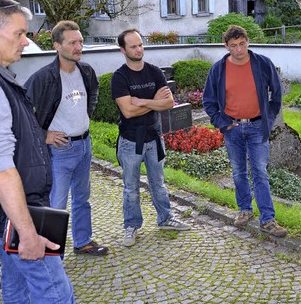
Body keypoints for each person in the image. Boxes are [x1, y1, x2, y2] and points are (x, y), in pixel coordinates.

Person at [0, 0, 75, 303]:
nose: (27, 41)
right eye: (20, 33)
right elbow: (1, 167)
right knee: (55, 292)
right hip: (15, 215)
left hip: (7, 212)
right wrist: (27, 233)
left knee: (16, 287)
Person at [25, 20, 108, 256]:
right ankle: (53, 254)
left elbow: (92, 96)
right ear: (57, 46)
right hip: (60, 150)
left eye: (80, 41)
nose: (78, 46)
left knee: (83, 198)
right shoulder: (43, 78)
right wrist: (44, 135)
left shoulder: (86, 71)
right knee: (56, 205)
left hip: (84, 145)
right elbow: (22, 114)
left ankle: (82, 242)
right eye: (72, 42)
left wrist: (84, 120)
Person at [203, 25, 287, 238]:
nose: (239, 49)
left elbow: (276, 94)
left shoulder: (262, 64)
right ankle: (245, 210)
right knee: (238, 171)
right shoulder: (218, 69)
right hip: (232, 128)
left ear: (247, 41)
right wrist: (222, 122)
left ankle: (267, 219)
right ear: (226, 46)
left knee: (259, 172)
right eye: (233, 46)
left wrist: (267, 118)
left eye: (242, 44)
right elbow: (209, 101)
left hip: (258, 126)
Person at [112, 28, 191, 247]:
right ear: (123, 50)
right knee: (131, 188)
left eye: (140, 44)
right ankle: (131, 225)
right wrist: (153, 100)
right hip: (131, 141)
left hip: (154, 138)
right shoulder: (119, 77)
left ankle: (165, 218)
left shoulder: (154, 72)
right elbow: (127, 111)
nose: (138, 49)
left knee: (159, 184)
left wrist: (142, 101)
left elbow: (168, 103)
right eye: (133, 46)